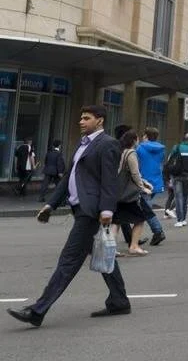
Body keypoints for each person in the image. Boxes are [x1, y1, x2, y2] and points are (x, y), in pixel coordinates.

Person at [8, 105, 131, 327]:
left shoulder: (108, 144)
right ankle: (119, 300)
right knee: (103, 255)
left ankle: (38, 310)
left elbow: (110, 180)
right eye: (80, 118)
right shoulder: (83, 144)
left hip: (91, 210)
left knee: (68, 260)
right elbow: (68, 178)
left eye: (86, 118)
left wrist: (106, 210)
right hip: (79, 208)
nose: (81, 122)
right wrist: (50, 205)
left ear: (100, 120)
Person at [113, 129, 152, 257]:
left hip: (118, 192)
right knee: (140, 219)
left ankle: (111, 248)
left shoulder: (120, 152)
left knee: (116, 221)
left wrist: (144, 181)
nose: (139, 141)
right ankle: (134, 246)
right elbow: (135, 173)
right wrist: (142, 187)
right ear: (134, 140)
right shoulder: (131, 153)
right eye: (137, 138)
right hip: (129, 194)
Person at [135, 127, 167, 246]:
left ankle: (158, 231)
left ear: (146, 136)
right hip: (156, 181)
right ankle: (132, 236)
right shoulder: (161, 149)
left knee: (145, 209)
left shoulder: (139, 148)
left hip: (144, 181)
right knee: (142, 208)